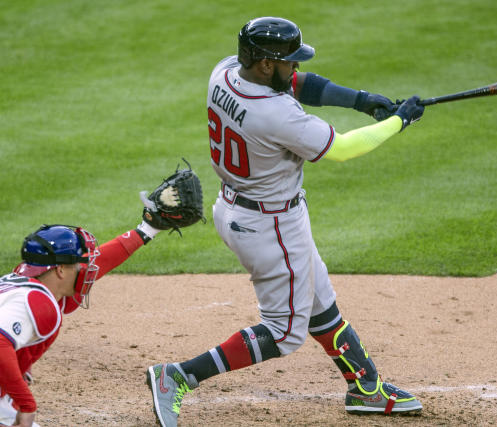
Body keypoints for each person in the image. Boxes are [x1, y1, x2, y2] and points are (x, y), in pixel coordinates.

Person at [146, 16, 425, 426]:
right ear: (264, 64)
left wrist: (360, 99)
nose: (294, 69)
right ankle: (180, 375)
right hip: (270, 225)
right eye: (288, 61)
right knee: (283, 332)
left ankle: (365, 387)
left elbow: (296, 83)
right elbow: (344, 149)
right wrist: (398, 121)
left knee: (317, 296)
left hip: (240, 208)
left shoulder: (224, 72)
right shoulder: (275, 116)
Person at [0, 208, 171, 426]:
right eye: (79, 265)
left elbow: (100, 262)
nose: (86, 269)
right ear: (61, 270)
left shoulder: (20, 282)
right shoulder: (39, 302)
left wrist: (146, 230)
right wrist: (26, 404)